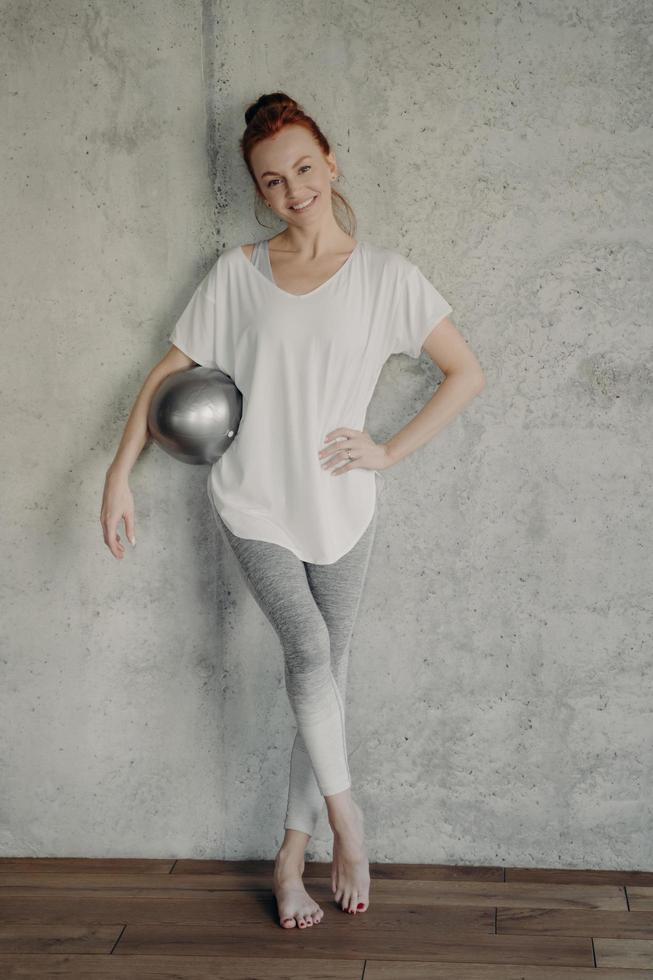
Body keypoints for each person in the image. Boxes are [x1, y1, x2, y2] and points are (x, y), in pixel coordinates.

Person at [100, 91, 486, 931]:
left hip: (343, 507)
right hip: (256, 502)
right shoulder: (237, 274)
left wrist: (386, 449)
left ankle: (289, 853)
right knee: (308, 650)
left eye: (304, 168)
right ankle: (350, 825)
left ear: (331, 162)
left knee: (326, 680)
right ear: (258, 190)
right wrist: (118, 474)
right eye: (271, 180)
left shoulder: (388, 277)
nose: (292, 189)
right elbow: (162, 376)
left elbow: (466, 373)